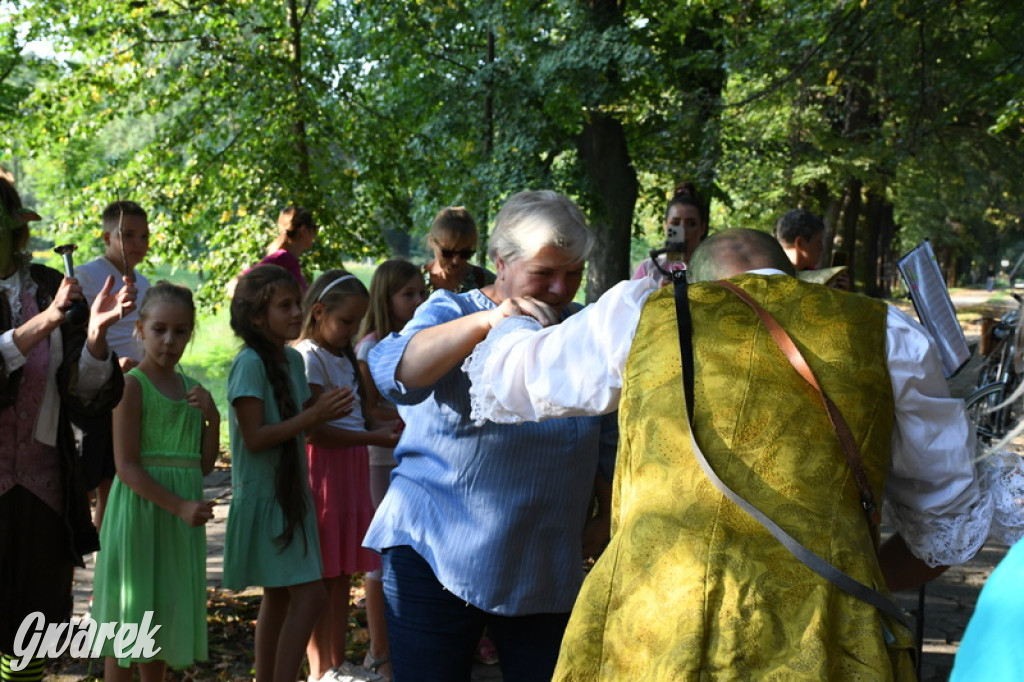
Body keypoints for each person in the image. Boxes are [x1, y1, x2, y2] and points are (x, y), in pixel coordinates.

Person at [464, 227, 992, 679]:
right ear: (797, 277)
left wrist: (510, 320)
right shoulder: (885, 332)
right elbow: (949, 521)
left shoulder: (640, 317)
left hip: (652, 627)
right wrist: (844, 567)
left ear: (692, 280)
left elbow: (512, 379)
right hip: (825, 638)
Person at [365, 190, 617, 682]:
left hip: (543, 561)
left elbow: (606, 432)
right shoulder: (450, 309)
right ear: (501, 262)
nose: (561, 288)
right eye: (544, 273)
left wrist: (606, 516)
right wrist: (490, 323)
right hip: (433, 547)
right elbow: (396, 370)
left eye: (574, 272)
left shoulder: (585, 329)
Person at [1, 175, 135, 682]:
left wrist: (97, 338)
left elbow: (84, 395)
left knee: (30, 633)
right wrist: (48, 320)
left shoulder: (43, 284)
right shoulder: (51, 303)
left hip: (43, 489)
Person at [222, 265, 355, 682]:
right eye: (285, 306)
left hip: (291, 495)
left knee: (279, 597)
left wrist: (354, 425)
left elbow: (303, 426)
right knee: (311, 595)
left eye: (297, 303)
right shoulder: (248, 364)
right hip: (265, 497)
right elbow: (257, 437)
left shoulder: (292, 360)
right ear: (257, 317)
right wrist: (314, 414)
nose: (297, 312)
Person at [91, 282, 220, 682]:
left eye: (180, 331)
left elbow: (200, 466)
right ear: (140, 330)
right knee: (130, 622)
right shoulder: (133, 387)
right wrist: (180, 505)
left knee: (160, 618)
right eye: (160, 329)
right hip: (140, 518)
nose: (170, 340)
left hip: (176, 525)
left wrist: (212, 419)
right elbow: (126, 466)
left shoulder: (190, 392)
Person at [295, 270, 399, 682]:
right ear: (318, 312)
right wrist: (371, 435)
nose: (353, 331)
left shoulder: (340, 357)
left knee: (341, 575)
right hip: (324, 473)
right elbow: (315, 429)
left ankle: (336, 665)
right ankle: (320, 667)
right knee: (321, 575)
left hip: (351, 468)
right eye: (346, 322)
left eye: (358, 323)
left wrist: (391, 425)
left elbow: (363, 413)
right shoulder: (309, 357)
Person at [354, 259, 426, 682]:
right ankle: (380, 650)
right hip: (383, 457)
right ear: (386, 297)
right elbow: (370, 408)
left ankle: (400, 643)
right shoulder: (372, 346)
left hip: (409, 451)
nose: (418, 301)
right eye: (408, 294)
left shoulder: (417, 337)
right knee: (382, 555)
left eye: (421, 293)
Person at [74, 199, 152, 530]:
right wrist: (111, 362)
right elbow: (77, 333)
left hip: (134, 389)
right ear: (107, 238)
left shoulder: (145, 284)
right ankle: (75, 542)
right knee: (86, 475)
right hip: (96, 390)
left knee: (115, 475)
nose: (137, 244)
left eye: (144, 236)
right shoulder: (87, 276)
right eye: (128, 235)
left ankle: (106, 547)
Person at [632, 181, 709, 286]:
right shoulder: (649, 269)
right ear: (665, 227)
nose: (683, 230)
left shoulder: (715, 269)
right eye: (675, 223)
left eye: (691, 224)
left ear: (702, 228)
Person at [421, 206, 496, 294]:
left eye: (465, 253)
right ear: (432, 241)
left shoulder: (485, 281)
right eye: (448, 253)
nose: (456, 261)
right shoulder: (412, 280)